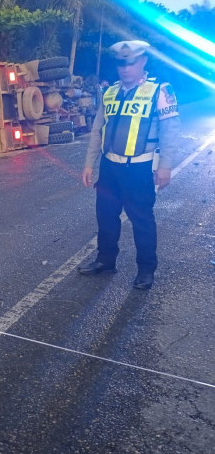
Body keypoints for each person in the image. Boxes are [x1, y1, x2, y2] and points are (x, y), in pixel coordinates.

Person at [79, 40, 181, 290]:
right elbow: (97, 130)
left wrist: (165, 165)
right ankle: (105, 260)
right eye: (120, 63)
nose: (125, 68)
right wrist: (89, 164)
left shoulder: (160, 91)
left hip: (140, 168)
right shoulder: (110, 92)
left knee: (142, 220)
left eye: (130, 62)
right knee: (105, 217)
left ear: (143, 61)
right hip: (110, 167)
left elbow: (170, 131)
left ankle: (146, 270)